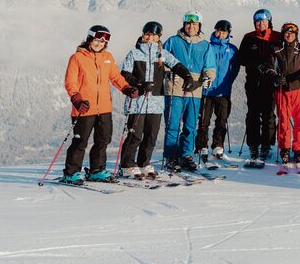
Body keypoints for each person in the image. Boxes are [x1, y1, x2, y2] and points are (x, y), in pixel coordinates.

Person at [62, 25, 136, 183]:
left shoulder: (107, 58)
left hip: (104, 108)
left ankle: (97, 170)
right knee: (80, 141)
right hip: (84, 107)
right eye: (97, 40)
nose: (100, 43)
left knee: (103, 140)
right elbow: (70, 82)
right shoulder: (77, 58)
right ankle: (71, 172)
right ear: (89, 39)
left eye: (103, 41)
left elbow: (116, 77)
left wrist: (127, 88)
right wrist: (77, 99)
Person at [118, 21, 190, 180]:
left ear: (158, 37)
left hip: (156, 102)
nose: (150, 38)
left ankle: (144, 163)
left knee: (151, 135)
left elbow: (176, 65)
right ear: (143, 35)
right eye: (148, 34)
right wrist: (139, 84)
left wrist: (188, 76)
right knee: (135, 136)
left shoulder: (162, 54)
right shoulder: (134, 53)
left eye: (154, 35)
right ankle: (126, 164)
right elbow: (124, 75)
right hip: (137, 102)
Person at [162, 11, 217, 172]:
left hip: (195, 89)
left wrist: (208, 77)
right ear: (183, 24)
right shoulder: (173, 41)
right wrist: (167, 72)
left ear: (199, 26)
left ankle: (186, 154)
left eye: (194, 24)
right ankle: (171, 156)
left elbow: (210, 66)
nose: (191, 26)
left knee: (190, 125)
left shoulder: (205, 45)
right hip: (175, 87)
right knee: (172, 125)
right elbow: (162, 60)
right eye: (188, 23)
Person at [238, 8, 281, 168]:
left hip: (271, 83)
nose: (260, 24)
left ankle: (267, 145)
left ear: (269, 21)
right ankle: (253, 145)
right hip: (254, 83)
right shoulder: (249, 38)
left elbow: (285, 56)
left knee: (269, 114)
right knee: (253, 114)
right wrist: (256, 64)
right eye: (257, 21)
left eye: (263, 21)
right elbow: (241, 58)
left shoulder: (277, 37)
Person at [269, 22, 300, 166]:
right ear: (283, 34)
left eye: (292, 34)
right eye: (287, 33)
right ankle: (285, 149)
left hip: (299, 90)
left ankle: (299, 149)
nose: (289, 36)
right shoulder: (276, 49)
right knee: (283, 121)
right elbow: (270, 68)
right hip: (282, 90)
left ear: (296, 35)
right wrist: (276, 77)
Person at [197, 19, 239, 165]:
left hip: (223, 91)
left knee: (221, 120)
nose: (220, 34)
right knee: (204, 121)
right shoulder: (207, 47)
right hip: (206, 91)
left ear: (228, 33)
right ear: (214, 31)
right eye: (218, 31)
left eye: (224, 32)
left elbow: (235, 69)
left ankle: (218, 146)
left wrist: (228, 81)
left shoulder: (232, 49)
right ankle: (202, 146)